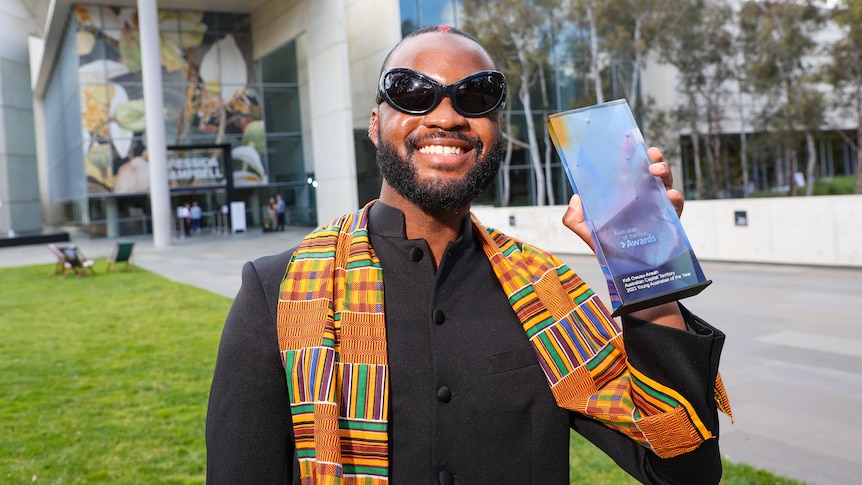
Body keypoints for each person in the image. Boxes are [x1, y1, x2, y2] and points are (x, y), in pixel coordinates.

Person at [206, 26, 731, 484]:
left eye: (476, 96)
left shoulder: (546, 293)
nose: (447, 116)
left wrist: (645, 261)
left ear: (496, 131)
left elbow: (685, 466)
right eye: (413, 92)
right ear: (374, 123)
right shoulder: (274, 293)